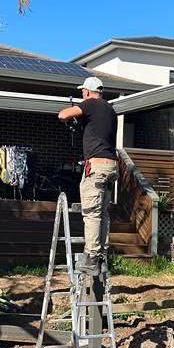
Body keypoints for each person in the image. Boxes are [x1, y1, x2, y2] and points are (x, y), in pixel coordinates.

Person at [58, 76, 118, 275]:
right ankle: (101, 256)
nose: (81, 94)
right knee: (103, 213)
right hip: (111, 166)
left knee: (91, 212)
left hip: (97, 166)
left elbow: (63, 115)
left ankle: (91, 258)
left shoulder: (90, 103)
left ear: (87, 91)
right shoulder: (110, 110)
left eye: (82, 91)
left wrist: (75, 111)